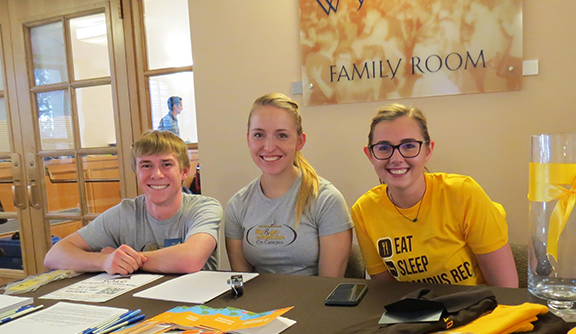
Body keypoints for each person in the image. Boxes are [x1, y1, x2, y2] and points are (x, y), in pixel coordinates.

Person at [352, 104, 518, 287]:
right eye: (383, 148)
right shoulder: (363, 211)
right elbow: (387, 293)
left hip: (478, 309)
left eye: (409, 146)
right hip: (415, 312)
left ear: (428, 150)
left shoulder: (463, 194)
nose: (396, 158)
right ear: (370, 155)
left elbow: (506, 290)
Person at [44, 130, 223, 275]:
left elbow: (189, 260)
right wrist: (105, 260)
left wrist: (125, 259)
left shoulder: (204, 208)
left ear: (184, 172)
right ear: (136, 172)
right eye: (146, 165)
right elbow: (54, 256)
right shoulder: (124, 213)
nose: (157, 174)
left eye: (166, 164)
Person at [225, 93, 353, 277]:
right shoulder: (237, 205)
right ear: (248, 139)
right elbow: (242, 284)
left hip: (313, 304)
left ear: (299, 141)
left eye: (282, 135)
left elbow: (329, 289)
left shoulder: (326, 200)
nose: (269, 147)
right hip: (257, 305)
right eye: (259, 135)